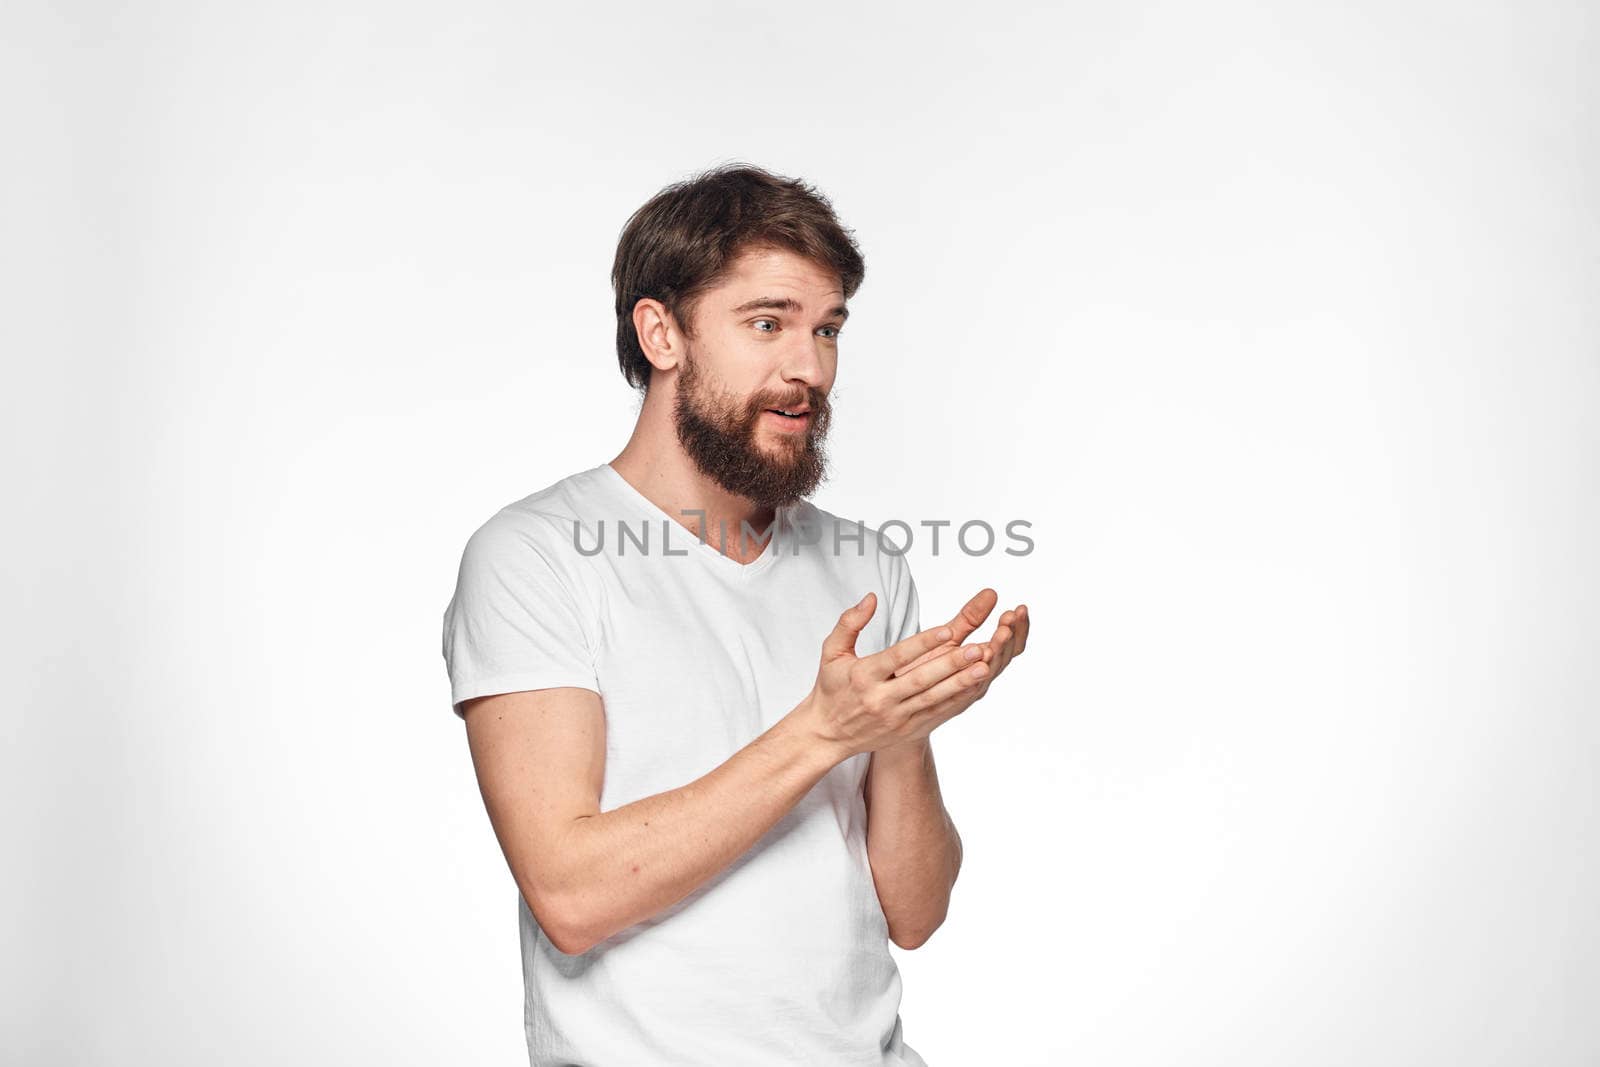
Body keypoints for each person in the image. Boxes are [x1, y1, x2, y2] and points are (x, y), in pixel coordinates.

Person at [440, 162, 1030, 1066]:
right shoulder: (535, 556)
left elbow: (916, 914)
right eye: (768, 324)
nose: (810, 368)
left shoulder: (865, 563)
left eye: (827, 329)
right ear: (661, 333)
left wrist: (901, 727)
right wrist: (828, 730)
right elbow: (569, 896)